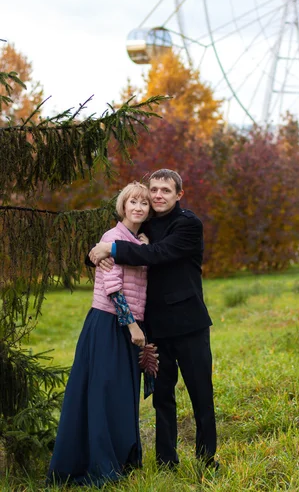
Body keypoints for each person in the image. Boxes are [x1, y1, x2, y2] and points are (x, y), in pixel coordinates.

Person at [89, 169, 218, 470]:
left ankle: (207, 459)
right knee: (162, 399)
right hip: (155, 327)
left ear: (178, 195)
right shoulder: (143, 224)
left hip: (189, 325)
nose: (158, 195)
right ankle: (165, 462)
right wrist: (97, 253)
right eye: (154, 190)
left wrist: (114, 250)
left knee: (201, 395)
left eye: (166, 191)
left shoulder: (188, 224)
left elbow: (158, 253)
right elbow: (116, 239)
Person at [48, 182, 151, 487]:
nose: (138, 208)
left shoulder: (137, 240)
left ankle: (123, 459)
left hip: (128, 323)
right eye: (133, 202)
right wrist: (132, 325)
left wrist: (143, 246)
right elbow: (113, 286)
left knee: (123, 395)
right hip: (109, 323)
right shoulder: (112, 237)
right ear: (123, 206)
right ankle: (99, 465)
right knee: (103, 393)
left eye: (144, 204)